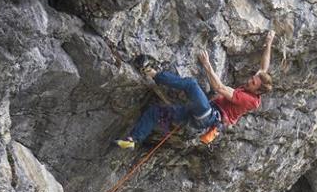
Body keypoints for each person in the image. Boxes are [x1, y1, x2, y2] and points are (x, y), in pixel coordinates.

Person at [115, 30, 276, 148]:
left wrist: (207, 66)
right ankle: (133, 140)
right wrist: (268, 43)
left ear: (257, 91)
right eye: (252, 79)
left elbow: (218, 87)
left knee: (191, 84)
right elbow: (264, 67)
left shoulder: (248, 100)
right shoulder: (257, 84)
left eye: (253, 83)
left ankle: (151, 73)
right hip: (198, 115)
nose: (249, 81)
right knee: (155, 112)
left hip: (209, 115)